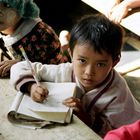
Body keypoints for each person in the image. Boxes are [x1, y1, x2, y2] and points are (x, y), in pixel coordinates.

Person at [10, 14, 140, 137]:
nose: (89, 72)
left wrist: (88, 119)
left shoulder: (117, 93)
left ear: (115, 62)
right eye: (82, 61)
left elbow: (120, 134)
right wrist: (31, 87)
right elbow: (19, 67)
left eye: (100, 64)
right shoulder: (66, 71)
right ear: (71, 54)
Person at [0, 0, 70, 78]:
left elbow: (46, 68)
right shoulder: (5, 26)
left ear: (21, 8)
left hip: (54, 69)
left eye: (7, 5)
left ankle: (65, 43)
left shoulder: (40, 34)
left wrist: (19, 65)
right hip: (24, 57)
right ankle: (64, 42)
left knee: (64, 57)